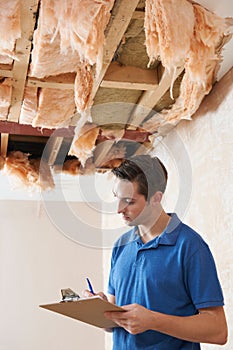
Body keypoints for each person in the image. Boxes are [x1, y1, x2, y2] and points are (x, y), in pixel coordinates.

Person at [85, 155, 228, 349]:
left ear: (156, 198)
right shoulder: (121, 245)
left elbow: (218, 330)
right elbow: (115, 322)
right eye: (117, 198)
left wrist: (153, 320)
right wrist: (101, 308)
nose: (119, 209)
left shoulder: (190, 246)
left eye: (129, 201)